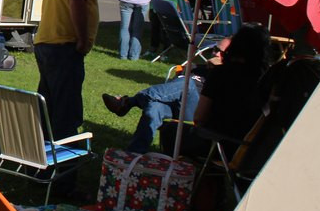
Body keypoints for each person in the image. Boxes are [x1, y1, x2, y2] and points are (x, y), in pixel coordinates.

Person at [34, 0, 117, 195]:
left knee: (48, 112)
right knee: (66, 117)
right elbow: (77, 0)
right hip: (64, 44)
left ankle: (42, 169)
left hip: (47, 41)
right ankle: (62, 182)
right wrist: (82, 39)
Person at [102, 24, 272, 155]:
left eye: (222, 52)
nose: (216, 55)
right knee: (154, 107)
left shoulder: (222, 74)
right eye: (215, 50)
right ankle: (134, 154)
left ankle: (130, 102)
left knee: (189, 85)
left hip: (206, 127)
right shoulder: (265, 78)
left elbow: (199, 117)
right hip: (180, 105)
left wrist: (217, 68)